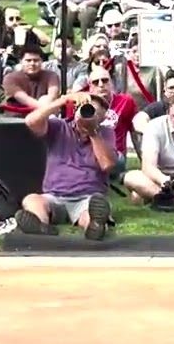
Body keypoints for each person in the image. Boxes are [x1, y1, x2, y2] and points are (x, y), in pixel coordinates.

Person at [15, 91, 116, 240]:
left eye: (93, 111)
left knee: (91, 211)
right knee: (32, 200)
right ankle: (40, 225)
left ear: (102, 117)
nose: (87, 114)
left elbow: (107, 165)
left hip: (87, 197)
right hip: (54, 196)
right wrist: (63, 100)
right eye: (84, 108)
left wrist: (93, 133)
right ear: (75, 111)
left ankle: (94, 226)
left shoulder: (106, 133)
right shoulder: (59, 126)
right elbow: (31, 121)